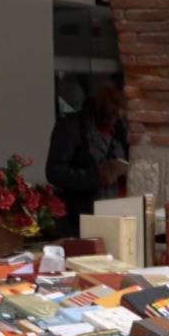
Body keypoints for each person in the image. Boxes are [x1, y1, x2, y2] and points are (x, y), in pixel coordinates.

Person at [45, 80, 129, 236]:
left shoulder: (119, 130)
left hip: (118, 216)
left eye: (119, 114)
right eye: (112, 112)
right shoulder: (71, 126)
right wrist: (94, 177)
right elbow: (53, 172)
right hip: (82, 219)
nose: (115, 117)